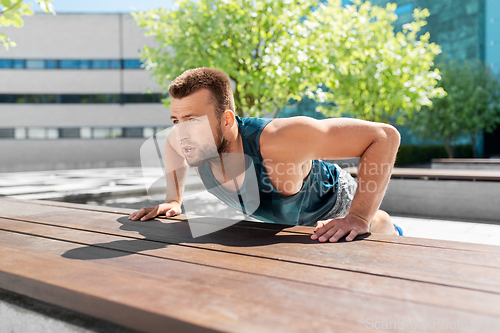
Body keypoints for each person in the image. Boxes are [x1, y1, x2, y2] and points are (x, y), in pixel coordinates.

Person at [129, 67, 403, 242]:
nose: (181, 132)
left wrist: (359, 216)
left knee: (374, 226)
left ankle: (385, 222)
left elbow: (384, 136)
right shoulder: (188, 141)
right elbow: (171, 146)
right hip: (283, 224)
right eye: (176, 120)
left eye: (192, 120)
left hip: (333, 201)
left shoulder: (278, 139)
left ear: (226, 120)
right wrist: (173, 199)